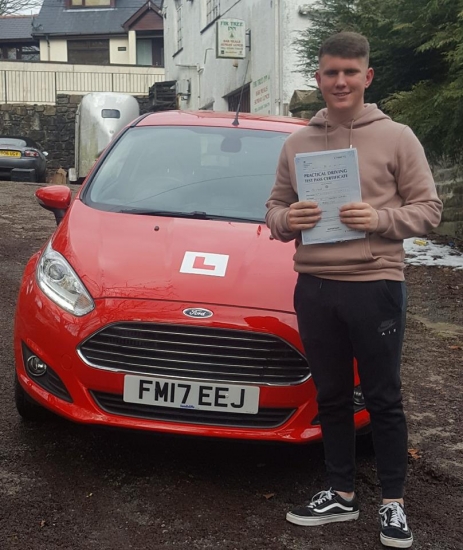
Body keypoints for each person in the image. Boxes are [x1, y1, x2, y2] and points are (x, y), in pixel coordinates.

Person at [265, 31, 442, 548]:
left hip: (375, 286)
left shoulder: (398, 137)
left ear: (366, 77)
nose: (339, 81)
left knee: (383, 397)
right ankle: (341, 494)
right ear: (318, 79)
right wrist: (286, 218)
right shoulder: (297, 143)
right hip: (315, 286)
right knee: (332, 395)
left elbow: (428, 210)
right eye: (330, 72)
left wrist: (380, 219)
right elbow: (272, 209)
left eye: (349, 72)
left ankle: (393, 503)